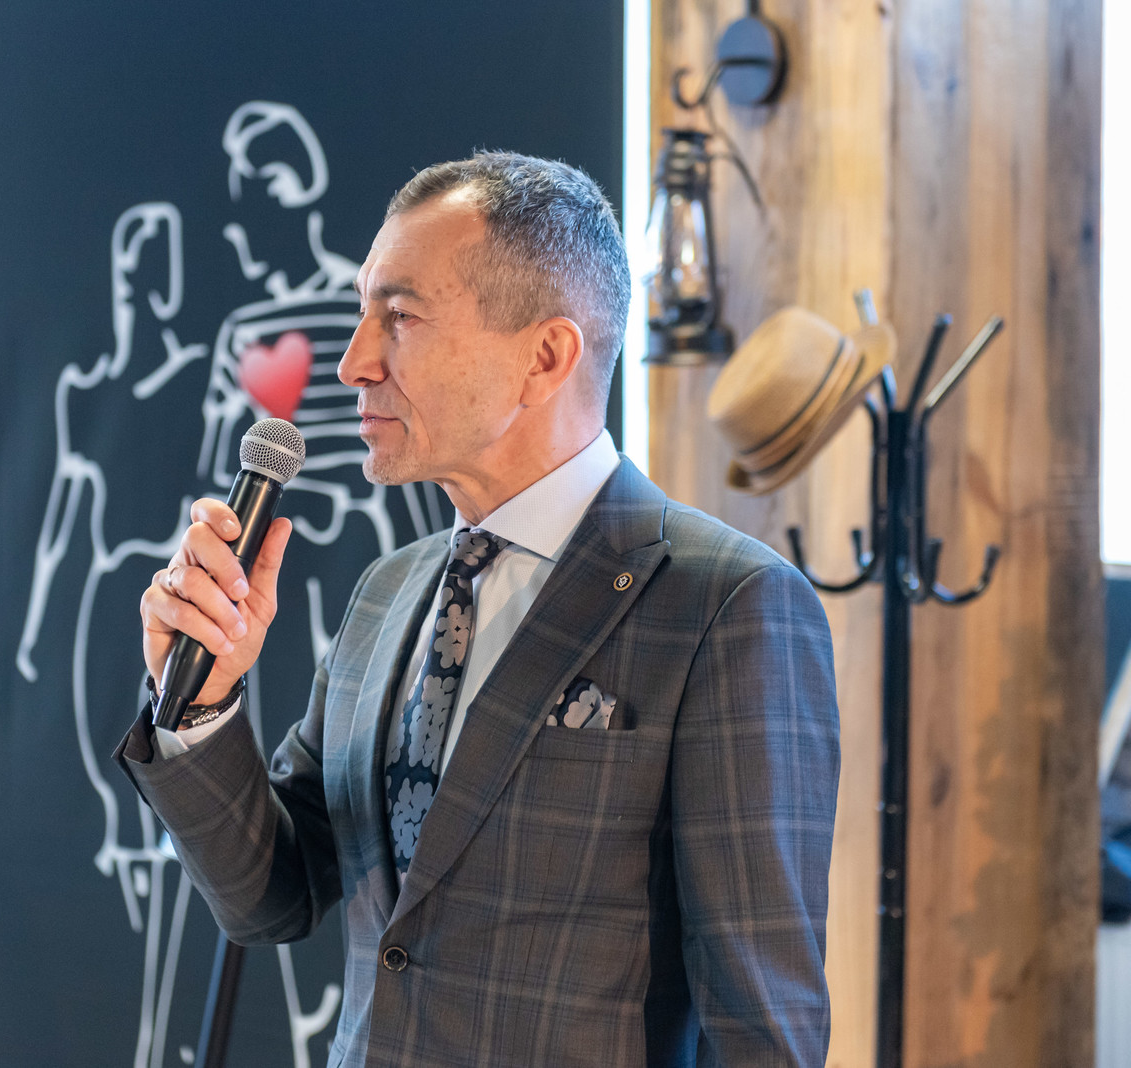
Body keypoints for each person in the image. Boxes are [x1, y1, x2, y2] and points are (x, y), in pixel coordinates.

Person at [115, 151, 840, 1067]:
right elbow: (273, 897)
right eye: (362, 312)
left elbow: (762, 1031)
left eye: (401, 317)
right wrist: (205, 704)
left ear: (546, 357)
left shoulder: (727, 606)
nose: (353, 363)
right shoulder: (388, 591)